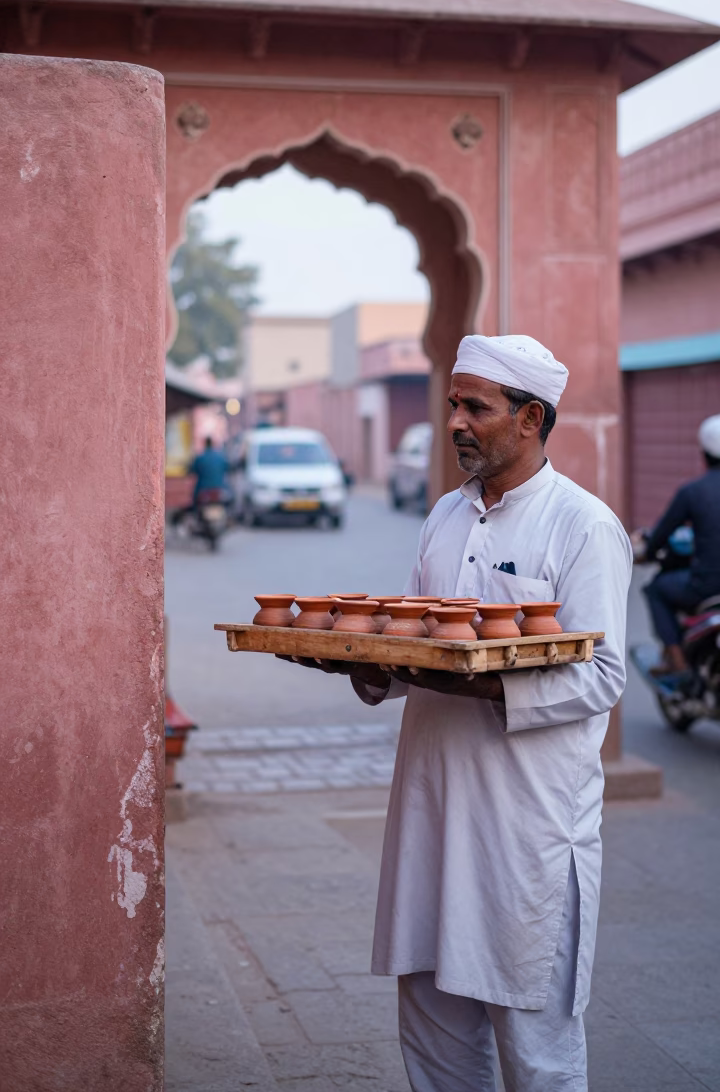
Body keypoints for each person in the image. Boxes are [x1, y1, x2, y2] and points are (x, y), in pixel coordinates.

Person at [297, 334, 632, 1092]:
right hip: (430, 818)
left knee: (536, 1053)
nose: (455, 421)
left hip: (528, 832)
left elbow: (603, 676)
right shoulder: (445, 516)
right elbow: (426, 652)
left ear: (529, 418)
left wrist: (479, 683)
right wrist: (368, 670)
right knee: (435, 1042)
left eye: (474, 407)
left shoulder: (583, 526)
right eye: (453, 403)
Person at [641, 414, 720, 676]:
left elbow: (661, 534)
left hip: (706, 586)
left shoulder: (693, 491)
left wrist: (649, 551)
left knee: (655, 589)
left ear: (704, 452)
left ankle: (678, 661)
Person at [189, 435, 228, 506]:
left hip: (203, 489)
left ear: (205, 445)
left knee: (194, 503)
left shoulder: (200, 458)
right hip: (218, 489)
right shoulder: (220, 458)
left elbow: (193, 470)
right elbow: (226, 469)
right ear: (212, 444)